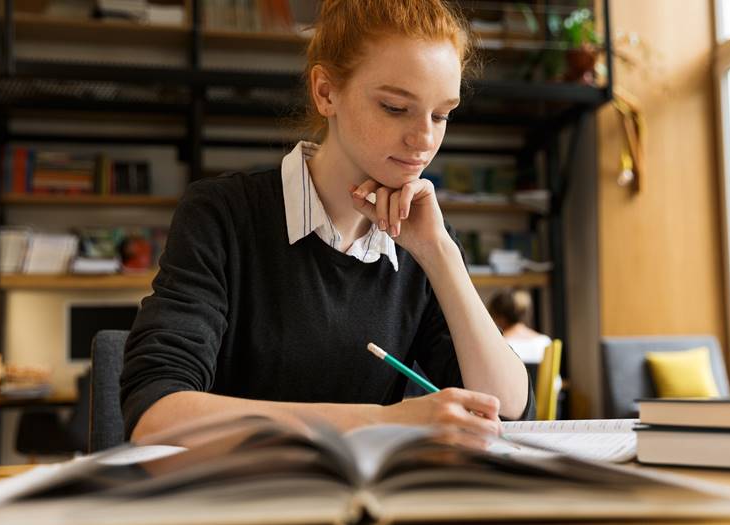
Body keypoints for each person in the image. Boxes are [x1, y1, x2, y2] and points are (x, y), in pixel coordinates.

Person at [121, 0, 535, 445]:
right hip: (240, 501)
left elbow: (507, 409)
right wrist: (384, 421)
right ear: (326, 92)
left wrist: (441, 255)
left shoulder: (423, 241)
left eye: (441, 115)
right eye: (396, 107)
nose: (425, 139)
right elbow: (157, 414)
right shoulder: (223, 215)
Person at [487, 288, 556, 386]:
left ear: (498, 316)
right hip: (541, 400)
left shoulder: (497, 344)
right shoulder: (544, 342)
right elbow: (555, 384)